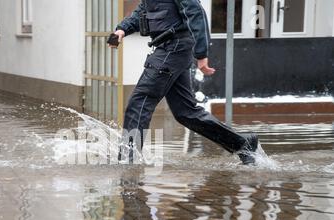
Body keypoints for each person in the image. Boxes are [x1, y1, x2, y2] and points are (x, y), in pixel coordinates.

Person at [109, 0, 259, 165]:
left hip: (174, 47)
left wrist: (201, 54)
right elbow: (144, 10)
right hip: (169, 48)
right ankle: (242, 144)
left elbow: (196, 13)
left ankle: (127, 160)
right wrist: (123, 29)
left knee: (139, 102)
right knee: (186, 112)